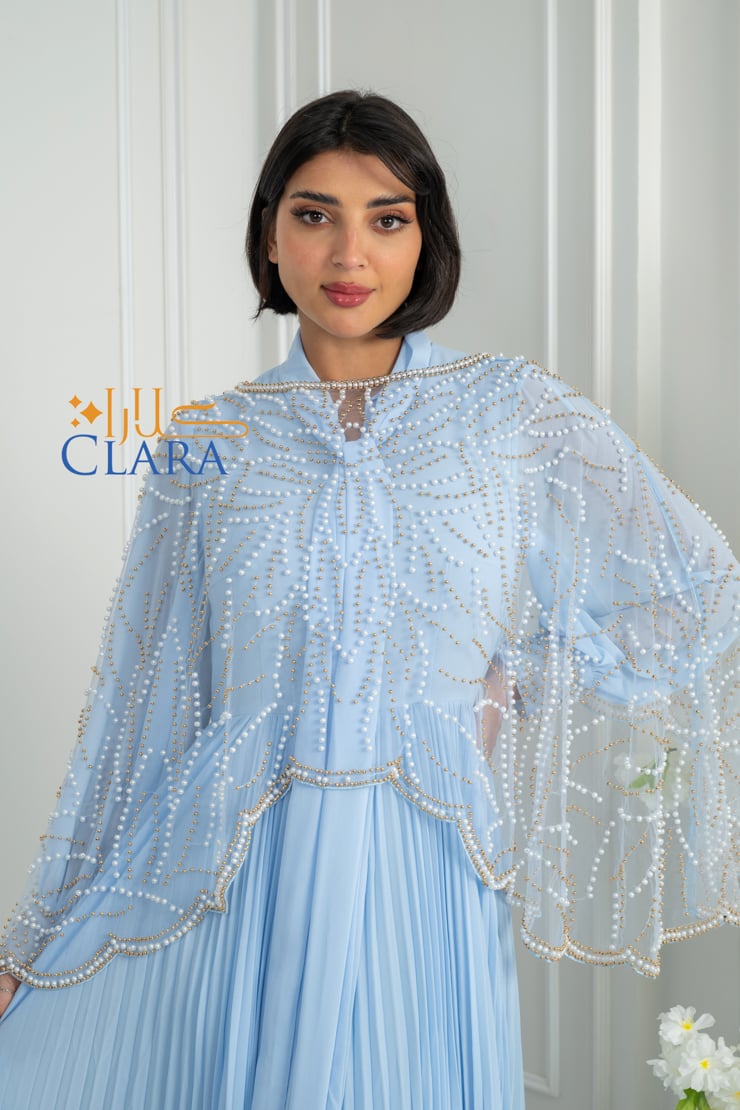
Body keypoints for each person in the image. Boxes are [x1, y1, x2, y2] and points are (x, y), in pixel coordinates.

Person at [0, 88, 737, 1109]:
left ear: (425, 240)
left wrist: (518, 682)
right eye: (315, 215)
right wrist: (37, 940)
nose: (349, 255)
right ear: (270, 236)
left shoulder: (513, 413)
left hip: (424, 861)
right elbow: (139, 714)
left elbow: (699, 590)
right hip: (234, 877)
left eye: (386, 220)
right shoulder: (204, 443)